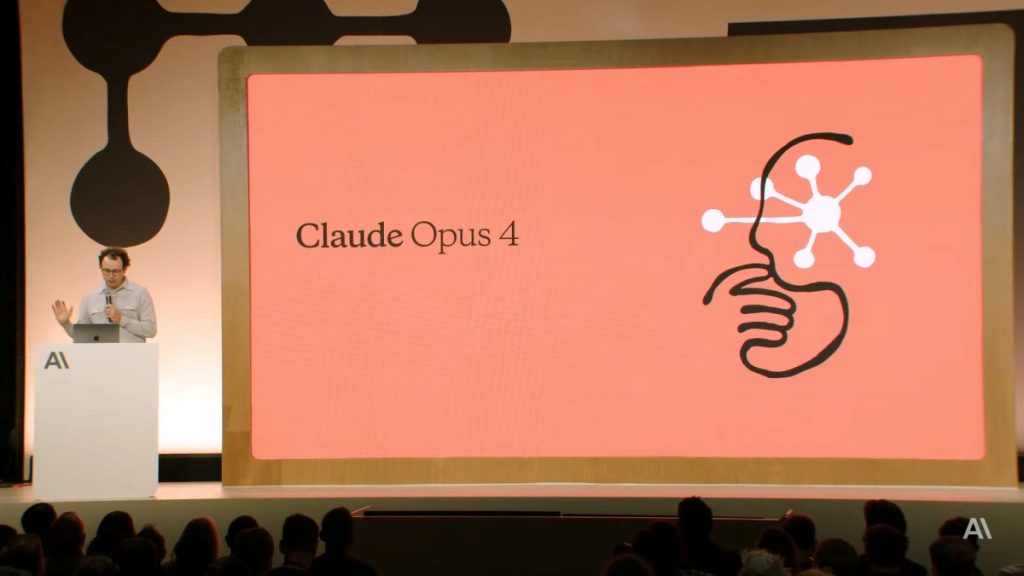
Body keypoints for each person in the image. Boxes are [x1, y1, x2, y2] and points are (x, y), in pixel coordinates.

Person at [51, 247, 156, 343]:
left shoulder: (140, 293)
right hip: (100, 356)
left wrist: (121, 319)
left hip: (133, 355)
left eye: (116, 271)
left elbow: (150, 330)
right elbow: (82, 335)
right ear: (101, 268)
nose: (111, 276)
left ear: (124, 270)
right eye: (106, 271)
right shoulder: (90, 298)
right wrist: (65, 323)